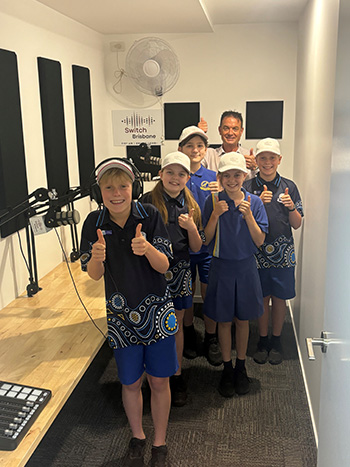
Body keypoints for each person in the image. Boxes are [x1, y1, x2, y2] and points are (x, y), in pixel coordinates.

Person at [80, 158, 178, 467]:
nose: (117, 193)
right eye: (109, 187)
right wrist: (97, 257)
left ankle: (159, 443)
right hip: (121, 319)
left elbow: (165, 266)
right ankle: (137, 436)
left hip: (158, 314)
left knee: (160, 382)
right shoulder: (93, 222)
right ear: (100, 190)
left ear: (133, 186)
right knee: (130, 382)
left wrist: (147, 248)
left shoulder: (149, 216)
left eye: (123, 185)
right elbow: (94, 275)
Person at [202, 152, 268, 397]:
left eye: (237, 175)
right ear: (219, 177)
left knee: (243, 320)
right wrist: (215, 215)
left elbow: (260, 241)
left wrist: (249, 215)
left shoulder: (255, 202)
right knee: (223, 320)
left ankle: (241, 366)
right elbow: (205, 239)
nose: (232, 180)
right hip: (221, 267)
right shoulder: (213, 200)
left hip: (246, 267)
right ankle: (227, 368)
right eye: (226, 175)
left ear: (244, 175)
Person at [140, 152, 203, 407]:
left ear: (188, 177)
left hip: (180, 269)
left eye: (181, 174)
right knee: (151, 323)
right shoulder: (146, 202)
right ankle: (150, 375)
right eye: (170, 172)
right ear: (160, 174)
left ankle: (176, 376)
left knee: (175, 325)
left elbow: (197, 248)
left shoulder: (193, 205)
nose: (175, 178)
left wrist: (191, 228)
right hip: (150, 271)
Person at [243, 138, 303, 365]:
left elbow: (296, 224)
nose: (267, 162)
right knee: (262, 297)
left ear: (279, 160)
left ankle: (276, 340)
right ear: (256, 161)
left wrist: (290, 207)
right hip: (256, 251)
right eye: (263, 158)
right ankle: (263, 339)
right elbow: (240, 220)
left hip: (283, 251)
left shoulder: (290, 186)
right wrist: (257, 201)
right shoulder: (247, 187)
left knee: (280, 298)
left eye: (272, 158)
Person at [177, 125, 222, 366]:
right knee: (184, 296)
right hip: (182, 249)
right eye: (189, 145)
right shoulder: (175, 176)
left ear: (206, 149)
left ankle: (212, 338)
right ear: (180, 148)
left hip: (207, 248)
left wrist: (222, 191)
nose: (195, 150)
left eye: (200, 145)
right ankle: (190, 333)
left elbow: (223, 209)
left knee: (209, 294)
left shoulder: (214, 177)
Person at [198, 111, 257, 179]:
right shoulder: (208, 155)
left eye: (235, 129)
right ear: (220, 130)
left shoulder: (250, 157)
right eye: (226, 128)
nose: (230, 133)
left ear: (241, 131)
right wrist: (198, 135)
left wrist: (255, 168)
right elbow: (191, 167)